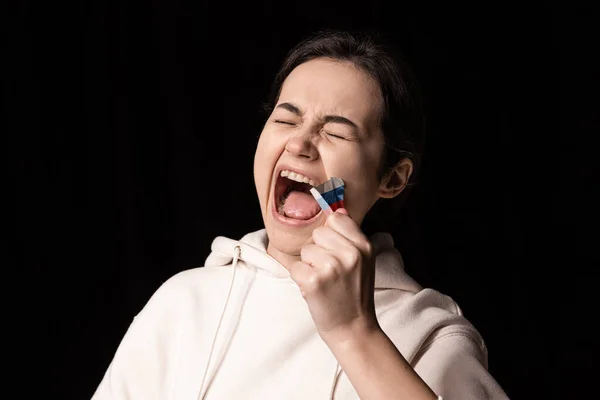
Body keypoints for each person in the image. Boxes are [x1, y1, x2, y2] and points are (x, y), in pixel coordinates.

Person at [92, 30, 509, 400]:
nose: (301, 143)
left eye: (336, 132)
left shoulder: (432, 336)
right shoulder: (182, 304)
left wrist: (354, 332)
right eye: (286, 119)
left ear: (393, 178)